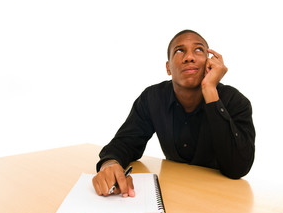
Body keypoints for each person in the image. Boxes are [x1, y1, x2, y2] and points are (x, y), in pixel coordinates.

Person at [92, 29, 255, 197]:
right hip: (173, 193)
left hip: (222, 197)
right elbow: (125, 143)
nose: (189, 57)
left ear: (209, 63)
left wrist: (210, 91)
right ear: (168, 68)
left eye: (198, 50)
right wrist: (109, 164)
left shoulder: (236, 102)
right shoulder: (153, 98)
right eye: (179, 51)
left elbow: (238, 167)